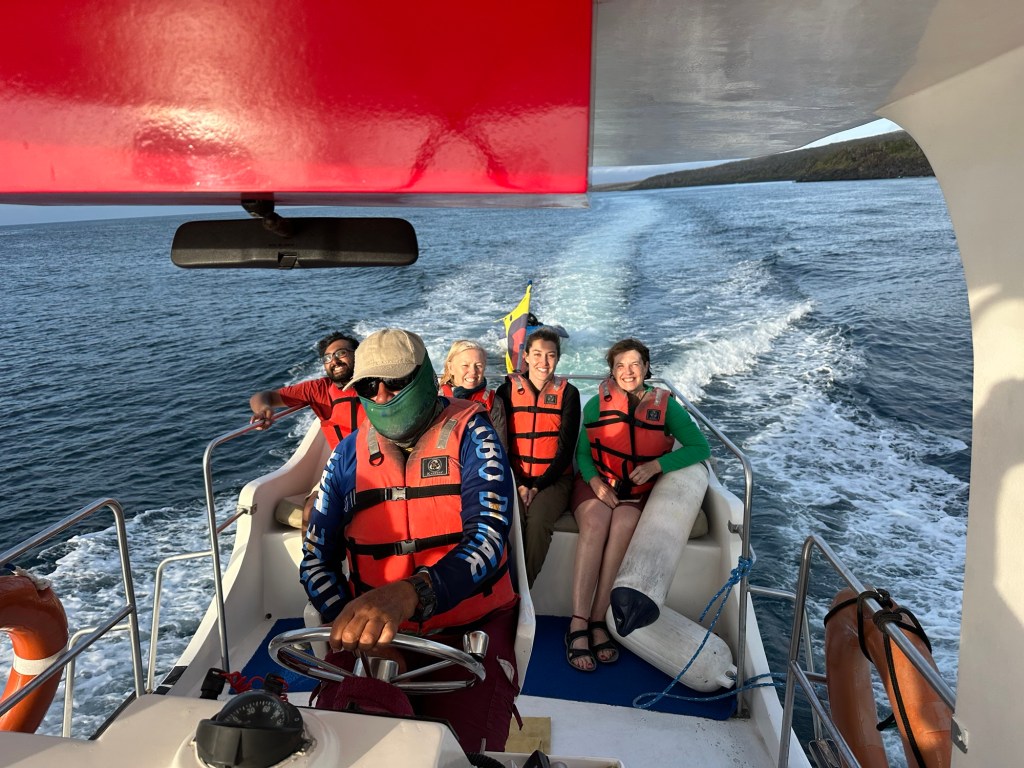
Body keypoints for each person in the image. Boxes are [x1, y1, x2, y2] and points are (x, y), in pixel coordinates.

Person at [299, 329, 519, 752]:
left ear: (426, 377)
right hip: (372, 637)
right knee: (339, 748)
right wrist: (360, 625)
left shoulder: (474, 434)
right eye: (368, 386)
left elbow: (489, 537)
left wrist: (410, 594)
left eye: (395, 381)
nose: (381, 395)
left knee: (455, 753)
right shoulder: (346, 456)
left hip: (469, 632)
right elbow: (315, 560)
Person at [566, 338, 710, 672]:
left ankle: (598, 619)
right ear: (611, 371)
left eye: (634, 364)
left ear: (646, 367)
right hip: (596, 483)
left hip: (636, 489)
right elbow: (584, 454)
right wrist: (595, 482)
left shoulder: (667, 408)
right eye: (620, 365)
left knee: (624, 526)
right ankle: (577, 622)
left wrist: (658, 465)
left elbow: (699, 447)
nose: (628, 371)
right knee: (595, 523)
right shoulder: (596, 404)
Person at [249, 331, 362, 528]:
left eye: (341, 353)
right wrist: (263, 409)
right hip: (341, 468)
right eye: (327, 358)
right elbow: (263, 396)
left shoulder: (378, 384)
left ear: (358, 354)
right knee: (311, 512)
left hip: (378, 462)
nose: (334, 361)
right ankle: (312, 550)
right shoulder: (318, 390)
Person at [496, 328, 580, 587]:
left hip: (555, 480)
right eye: (538, 354)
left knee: (539, 519)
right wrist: (521, 483)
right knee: (511, 518)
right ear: (526, 357)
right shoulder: (505, 391)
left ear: (558, 358)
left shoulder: (569, 394)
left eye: (551, 355)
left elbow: (565, 450)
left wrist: (537, 486)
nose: (544, 362)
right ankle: (503, 587)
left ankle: (522, 591)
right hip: (515, 477)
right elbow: (502, 445)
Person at [438, 339, 508, 447]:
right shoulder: (435, 399)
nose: (473, 371)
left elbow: (501, 447)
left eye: (478, 365)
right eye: (465, 365)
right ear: (451, 368)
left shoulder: (494, 403)